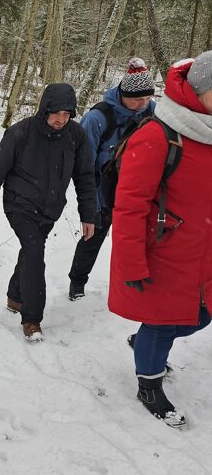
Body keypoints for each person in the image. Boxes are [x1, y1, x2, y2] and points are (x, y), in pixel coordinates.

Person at [108, 52, 212, 427]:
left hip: (204, 251)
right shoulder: (158, 135)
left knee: (201, 316)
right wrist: (131, 264)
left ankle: (146, 342)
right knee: (163, 321)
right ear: (199, 90)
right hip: (165, 252)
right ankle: (149, 385)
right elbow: (129, 207)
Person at [0, 83, 97, 342]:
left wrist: (89, 215)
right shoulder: (20, 133)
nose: (61, 119)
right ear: (45, 109)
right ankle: (32, 319)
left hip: (50, 209)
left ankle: (15, 296)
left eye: (66, 114)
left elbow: (85, 177)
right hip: (19, 205)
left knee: (31, 250)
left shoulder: (75, 136)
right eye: (56, 113)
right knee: (35, 252)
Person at [68, 58, 156, 301]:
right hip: (103, 191)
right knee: (92, 239)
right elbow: (83, 164)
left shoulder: (151, 111)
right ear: (123, 94)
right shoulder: (97, 118)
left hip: (137, 191)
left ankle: (135, 284)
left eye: (147, 98)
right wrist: (91, 204)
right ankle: (77, 282)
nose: (143, 103)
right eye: (138, 99)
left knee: (137, 241)